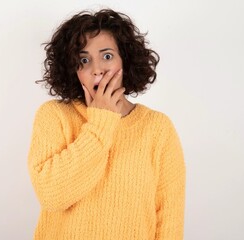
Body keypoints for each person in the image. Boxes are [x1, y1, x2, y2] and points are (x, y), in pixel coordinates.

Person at [27, 8, 185, 240]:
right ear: (74, 70)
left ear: (126, 60)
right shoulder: (54, 116)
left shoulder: (157, 128)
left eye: (107, 56)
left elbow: (169, 220)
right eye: (84, 60)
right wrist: (101, 122)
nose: (97, 69)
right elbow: (52, 195)